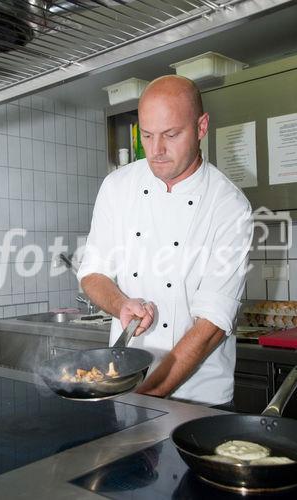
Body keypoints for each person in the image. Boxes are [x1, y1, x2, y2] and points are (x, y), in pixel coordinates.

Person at [77, 75, 253, 406]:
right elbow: (92, 273)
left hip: (197, 396)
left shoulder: (229, 206)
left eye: (171, 135)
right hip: (126, 385)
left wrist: (146, 397)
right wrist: (121, 304)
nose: (155, 151)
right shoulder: (117, 187)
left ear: (201, 127)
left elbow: (212, 325)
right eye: (147, 135)